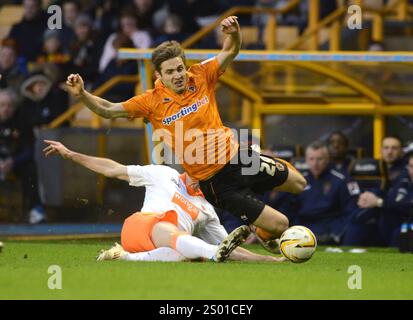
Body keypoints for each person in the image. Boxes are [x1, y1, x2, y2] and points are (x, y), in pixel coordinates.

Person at [65, 16, 307, 253]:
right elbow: (108, 110)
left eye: (180, 68)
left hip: (241, 159)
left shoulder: (201, 75)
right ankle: (263, 230)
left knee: (299, 184)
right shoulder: (150, 102)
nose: (178, 75)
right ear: (159, 76)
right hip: (216, 183)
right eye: (170, 72)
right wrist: (83, 94)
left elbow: (231, 51)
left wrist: (233, 32)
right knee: (281, 225)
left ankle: (262, 216)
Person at [43, 139, 287, 263]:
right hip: (140, 227)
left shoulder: (208, 209)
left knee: (185, 253)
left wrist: (268, 260)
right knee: (179, 237)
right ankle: (209, 254)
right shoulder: (162, 173)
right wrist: (71, 154)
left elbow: (231, 249)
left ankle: (124, 257)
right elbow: (114, 169)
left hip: (169, 247)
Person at [277, 141, 361, 245]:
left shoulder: (342, 180)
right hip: (302, 231)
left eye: (319, 159)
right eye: (311, 159)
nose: (315, 163)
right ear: (306, 160)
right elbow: (288, 208)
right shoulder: (299, 180)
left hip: (330, 231)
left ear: (327, 159)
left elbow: (351, 212)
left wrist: (336, 233)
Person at [0, 87, 45, 223]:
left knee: (30, 168)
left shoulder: (22, 122)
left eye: (9, 105)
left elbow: (29, 150)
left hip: (15, 163)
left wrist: (12, 161)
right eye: (2, 105)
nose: (6, 109)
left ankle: (35, 209)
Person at [358, 154, 413, 247]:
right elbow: (390, 196)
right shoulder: (404, 180)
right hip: (394, 222)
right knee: (361, 228)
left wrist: (379, 202)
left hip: (407, 224)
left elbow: (408, 206)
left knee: (399, 233)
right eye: (411, 166)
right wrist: (368, 196)